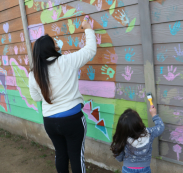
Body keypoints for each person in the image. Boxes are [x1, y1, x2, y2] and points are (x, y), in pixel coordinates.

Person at [29, 17, 96, 173]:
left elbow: (36, 98)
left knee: (60, 154)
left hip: (50, 122)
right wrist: (87, 28)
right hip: (73, 121)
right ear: (52, 48)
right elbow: (90, 50)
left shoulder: (33, 74)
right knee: (76, 156)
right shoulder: (67, 61)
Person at [111, 105, 165, 173]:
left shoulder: (124, 136)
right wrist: (154, 114)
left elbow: (118, 155)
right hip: (145, 169)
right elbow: (160, 127)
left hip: (127, 169)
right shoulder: (149, 133)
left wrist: (121, 158)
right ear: (139, 122)